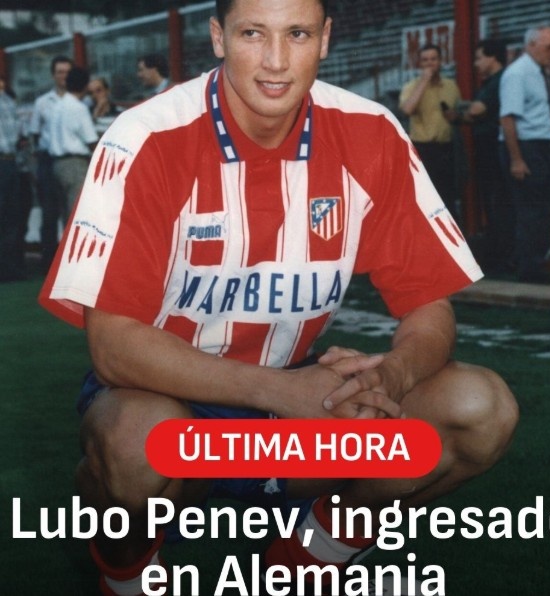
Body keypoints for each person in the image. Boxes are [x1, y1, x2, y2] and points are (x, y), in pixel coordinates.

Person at [39, 1, 518, 594]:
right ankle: (126, 572)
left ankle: (310, 554)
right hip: (170, 404)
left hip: (295, 410)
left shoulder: (370, 131)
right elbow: (113, 347)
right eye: (252, 33)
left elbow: (429, 304)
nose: (275, 60)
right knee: (136, 444)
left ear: (325, 38)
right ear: (218, 37)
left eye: (297, 34)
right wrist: (283, 392)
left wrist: (392, 375)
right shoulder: (146, 136)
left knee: (479, 408)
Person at [499, 25, 550, 283]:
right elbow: (507, 118)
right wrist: (517, 159)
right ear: (531, 45)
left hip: (541, 144)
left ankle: (524, 257)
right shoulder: (518, 73)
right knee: (532, 208)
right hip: (525, 145)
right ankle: (529, 268)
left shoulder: (539, 72)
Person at [462, 39, 515, 274]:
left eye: (479, 58)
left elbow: (477, 110)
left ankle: (502, 257)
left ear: (493, 57)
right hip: (487, 149)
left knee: (498, 202)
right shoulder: (490, 82)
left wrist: (466, 112)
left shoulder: (499, 80)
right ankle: (498, 254)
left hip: (494, 149)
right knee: (493, 202)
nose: (476, 63)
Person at [399, 43, 462, 221]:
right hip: (423, 149)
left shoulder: (451, 86)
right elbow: (407, 110)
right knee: (426, 198)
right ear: (419, 64)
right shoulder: (411, 87)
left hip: (446, 148)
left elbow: (457, 112)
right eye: (425, 60)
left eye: (433, 59)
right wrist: (424, 81)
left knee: (448, 197)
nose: (430, 64)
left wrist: (454, 116)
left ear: (440, 61)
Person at [29, 55, 72, 271]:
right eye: (59, 72)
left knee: (71, 211)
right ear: (53, 75)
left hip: (72, 160)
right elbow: (35, 133)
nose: (63, 76)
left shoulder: (79, 100)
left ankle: (70, 264)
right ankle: (48, 264)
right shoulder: (42, 102)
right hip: (47, 160)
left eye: (67, 72)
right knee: (49, 212)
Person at [48, 66, 98, 219]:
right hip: (75, 164)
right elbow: (91, 140)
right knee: (78, 214)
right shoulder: (79, 108)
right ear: (85, 86)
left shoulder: (57, 105)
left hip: (57, 164)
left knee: (66, 214)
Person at [0, 75, 22, 282]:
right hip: (5, 160)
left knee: (11, 215)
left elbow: (19, 132)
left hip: (10, 160)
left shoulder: (7, 100)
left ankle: (9, 268)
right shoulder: (7, 101)